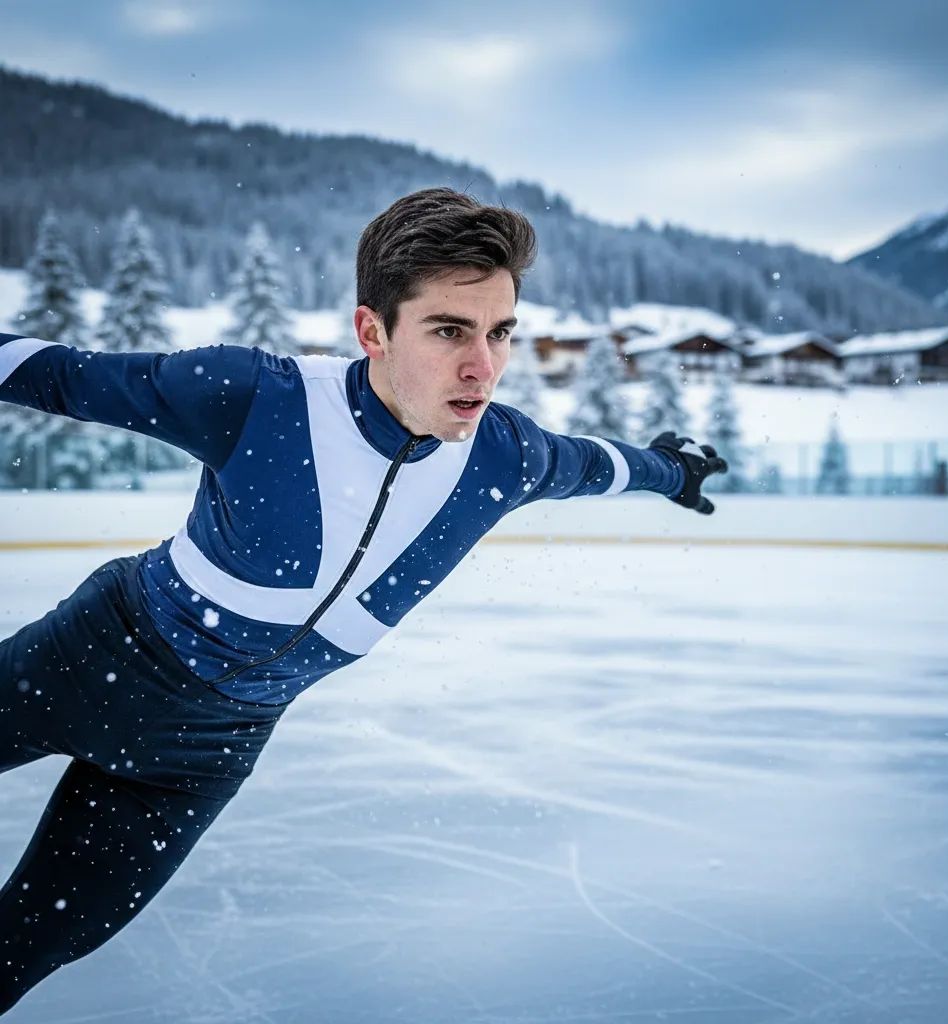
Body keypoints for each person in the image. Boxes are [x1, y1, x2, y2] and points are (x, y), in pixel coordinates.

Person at [0, 187, 727, 1013]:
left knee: (28, 943)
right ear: (372, 331)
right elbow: (53, 375)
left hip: (203, 754)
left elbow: (597, 462)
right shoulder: (256, 397)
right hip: (93, 658)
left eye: (499, 334)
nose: (481, 367)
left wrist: (674, 470)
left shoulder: (504, 455)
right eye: (450, 330)